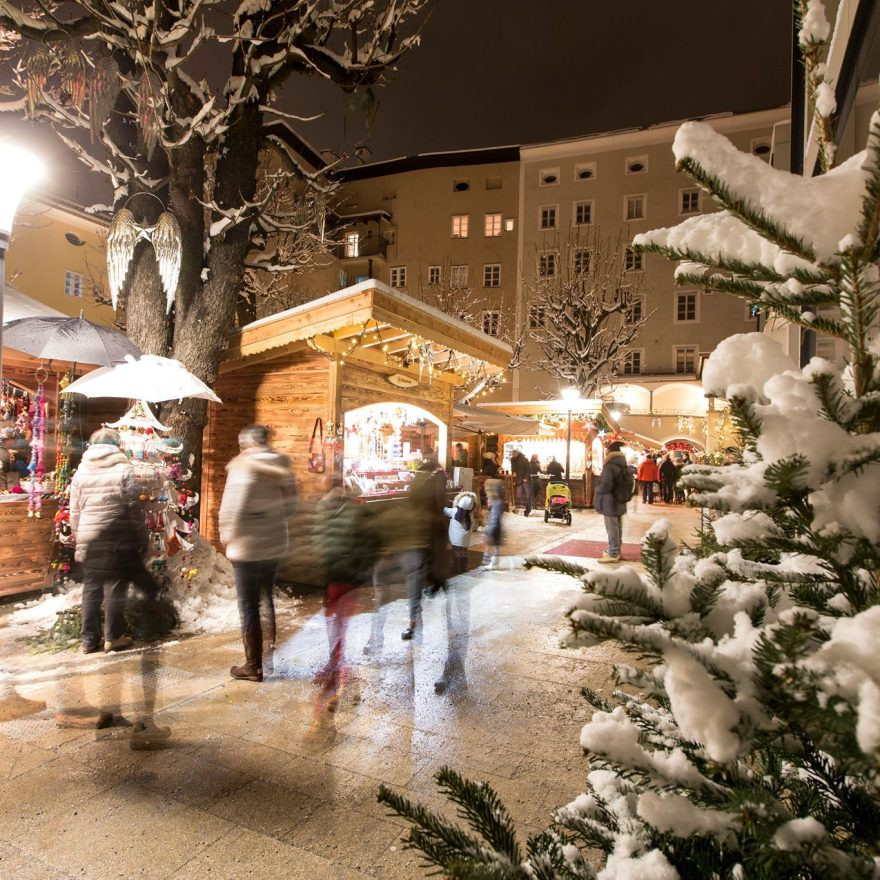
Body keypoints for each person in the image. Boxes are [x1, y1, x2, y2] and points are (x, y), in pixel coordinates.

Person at [219, 424, 297, 682]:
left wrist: (227, 536)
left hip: (247, 546)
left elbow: (233, 506)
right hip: (274, 543)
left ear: (246, 444)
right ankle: (269, 655)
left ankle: (253, 665)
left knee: (248, 605)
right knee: (266, 599)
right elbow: (291, 506)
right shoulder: (281, 464)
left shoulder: (243, 466)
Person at [69, 428, 157, 654]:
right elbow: (134, 508)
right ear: (117, 445)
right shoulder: (124, 469)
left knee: (91, 588)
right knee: (115, 588)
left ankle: (89, 640)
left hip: (89, 537)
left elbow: (74, 511)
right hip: (116, 537)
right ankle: (113, 637)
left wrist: (79, 536)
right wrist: (141, 537)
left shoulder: (81, 471)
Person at [313, 477, 378, 712]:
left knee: (335, 621)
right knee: (339, 620)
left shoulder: (325, 507)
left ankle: (336, 666)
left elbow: (320, 541)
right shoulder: (352, 507)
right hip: (348, 574)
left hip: (335, 573)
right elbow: (369, 540)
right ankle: (335, 662)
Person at [400, 459, 448, 640]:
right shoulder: (434, 481)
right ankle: (416, 616)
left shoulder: (421, 483)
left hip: (417, 540)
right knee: (424, 575)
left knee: (414, 580)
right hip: (424, 539)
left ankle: (413, 621)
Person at [593, 440, 634, 563]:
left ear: (609, 452)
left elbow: (606, 484)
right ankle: (616, 550)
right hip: (619, 500)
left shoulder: (610, 465)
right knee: (617, 527)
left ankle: (613, 553)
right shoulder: (623, 464)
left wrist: (597, 488)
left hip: (610, 502)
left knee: (611, 528)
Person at [443, 491, 478, 575]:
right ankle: (463, 567)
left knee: (456, 553)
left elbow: (445, 511)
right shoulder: (470, 514)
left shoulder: (455, 511)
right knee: (464, 552)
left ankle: (456, 568)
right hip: (465, 538)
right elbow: (472, 524)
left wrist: (445, 504)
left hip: (456, 538)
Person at [481, 478, 505, 570]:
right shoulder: (497, 501)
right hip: (496, 526)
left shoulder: (496, 502)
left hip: (494, 526)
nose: (486, 491)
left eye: (487, 489)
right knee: (495, 546)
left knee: (493, 545)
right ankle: (494, 563)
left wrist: (489, 529)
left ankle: (492, 562)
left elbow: (494, 517)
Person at [510, 449, 531, 514]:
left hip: (524, 479)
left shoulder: (523, 459)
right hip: (518, 479)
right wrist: (514, 472)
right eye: (512, 454)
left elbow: (528, 469)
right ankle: (517, 508)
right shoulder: (513, 460)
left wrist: (526, 478)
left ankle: (527, 510)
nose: (513, 455)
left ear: (517, 454)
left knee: (527, 495)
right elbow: (513, 468)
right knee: (519, 495)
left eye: (514, 454)